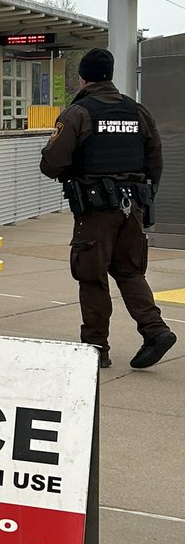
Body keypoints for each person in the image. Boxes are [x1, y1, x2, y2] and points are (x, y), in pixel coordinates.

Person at [40, 46, 176, 370]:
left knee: (91, 276)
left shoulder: (79, 113)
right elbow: (155, 159)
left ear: (82, 77)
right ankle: (155, 331)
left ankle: (95, 347)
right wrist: (145, 195)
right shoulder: (137, 110)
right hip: (133, 206)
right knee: (130, 272)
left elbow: (51, 163)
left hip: (95, 208)